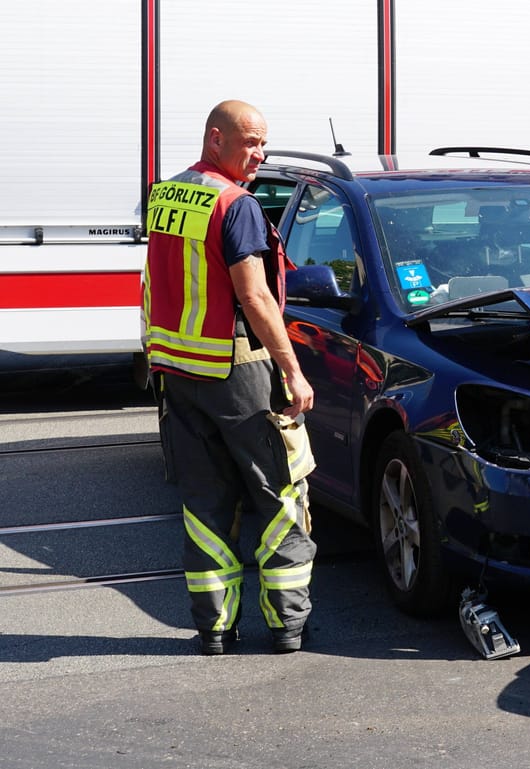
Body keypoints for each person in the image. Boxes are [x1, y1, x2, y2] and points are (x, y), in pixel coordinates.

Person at [142, 100, 317, 655]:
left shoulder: (167, 193)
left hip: (180, 372)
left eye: (264, 144)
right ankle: (288, 626)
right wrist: (292, 370)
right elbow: (254, 294)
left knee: (205, 506)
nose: (260, 156)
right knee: (279, 497)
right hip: (238, 369)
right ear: (215, 139)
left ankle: (214, 629)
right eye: (251, 143)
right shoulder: (235, 205)